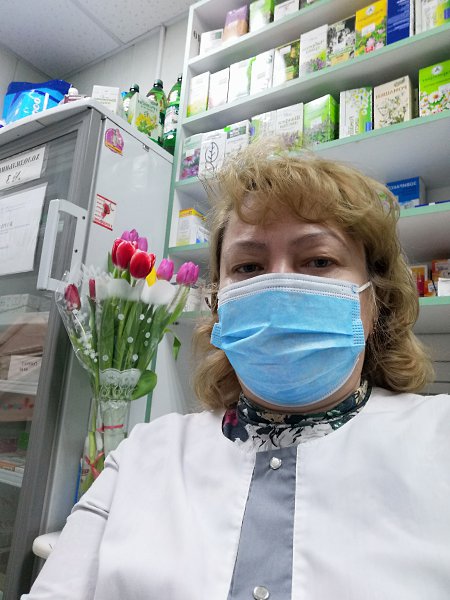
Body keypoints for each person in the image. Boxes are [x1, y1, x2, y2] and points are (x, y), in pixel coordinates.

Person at [23, 141, 450, 600]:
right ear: (218, 306)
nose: (278, 283)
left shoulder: (438, 440)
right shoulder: (144, 454)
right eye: (248, 266)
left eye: (319, 261)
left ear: (375, 298)